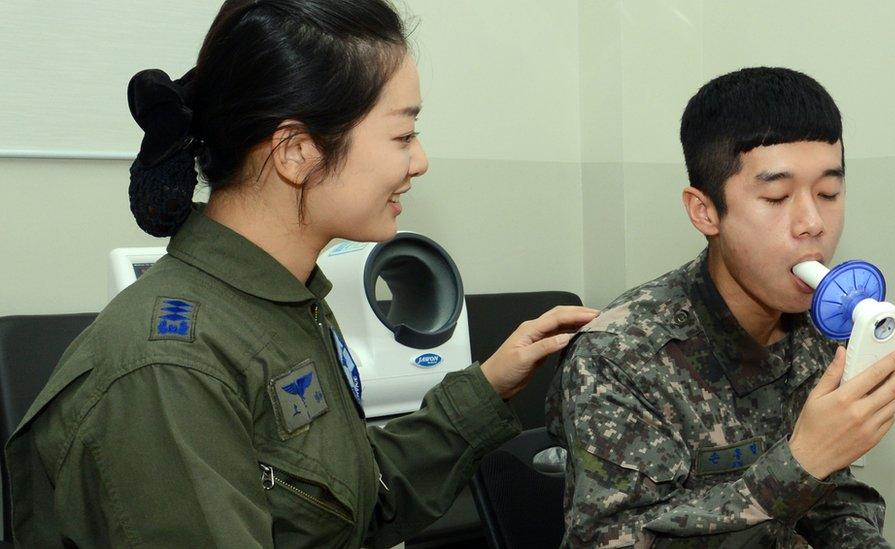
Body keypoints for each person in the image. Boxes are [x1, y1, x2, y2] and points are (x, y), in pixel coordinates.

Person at [4, 1, 597, 546]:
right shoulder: (169, 372)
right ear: (295, 151)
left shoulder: (281, 304)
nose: (420, 160)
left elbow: (349, 502)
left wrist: (488, 387)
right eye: (403, 134)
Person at [546, 67, 895, 548]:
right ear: (705, 211)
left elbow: (835, 503)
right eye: (777, 197)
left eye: (829, 193)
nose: (812, 223)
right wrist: (800, 465)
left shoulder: (825, 330)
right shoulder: (620, 357)